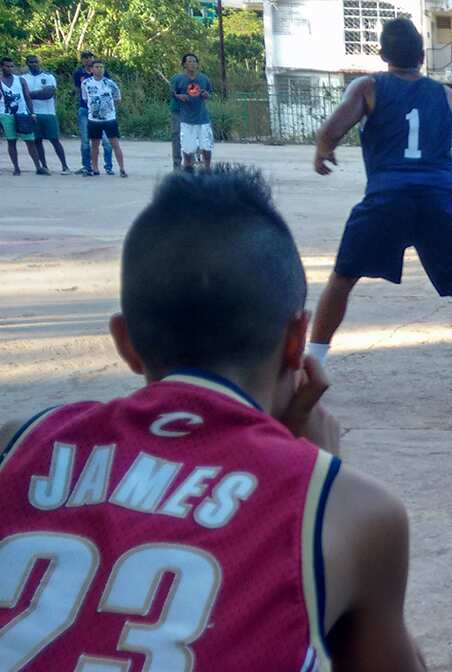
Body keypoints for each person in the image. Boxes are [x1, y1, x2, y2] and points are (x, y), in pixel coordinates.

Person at [0, 167, 428, 671]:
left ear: (126, 343)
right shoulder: (352, 509)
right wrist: (317, 468)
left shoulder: (17, 445)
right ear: (296, 343)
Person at [308, 18, 452, 408]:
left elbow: (331, 130)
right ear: (422, 56)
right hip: (441, 198)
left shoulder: (367, 87)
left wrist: (324, 150)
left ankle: (312, 366)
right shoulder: (446, 97)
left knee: (341, 281)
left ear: (382, 55)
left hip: (388, 197)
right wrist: (439, 158)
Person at [22, 55, 72, 174]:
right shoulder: (23, 78)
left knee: (54, 139)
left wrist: (28, 95)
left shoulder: (48, 77)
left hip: (48, 113)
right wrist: (37, 93)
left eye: (35, 62)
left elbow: (48, 94)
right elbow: (35, 94)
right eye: (31, 62)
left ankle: (65, 166)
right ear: (27, 63)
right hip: (32, 113)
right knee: (37, 141)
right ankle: (44, 166)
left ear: (40, 63)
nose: (33, 64)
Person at [81, 60, 127, 178]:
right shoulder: (86, 83)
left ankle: (122, 168)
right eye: (97, 67)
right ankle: (95, 168)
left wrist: (107, 109)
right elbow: (86, 99)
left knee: (114, 143)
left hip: (109, 119)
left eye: (101, 67)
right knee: (94, 145)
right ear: (91, 69)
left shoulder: (110, 83)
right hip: (94, 119)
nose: (99, 69)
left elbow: (117, 98)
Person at [0, 57, 44, 175]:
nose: (9, 68)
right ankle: (16, 168)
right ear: (2, 67)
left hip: (22, 113)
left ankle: (38, 167)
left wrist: (32, 113)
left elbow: (27, 97)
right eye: (7, 66)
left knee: (30, 140)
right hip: (6, 114)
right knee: (11, 141)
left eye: (11, 66)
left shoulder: (20, 80)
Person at [171, 52, 215, 171]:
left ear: (197, 65)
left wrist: (207, 95)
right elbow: (173, 94)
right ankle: (188, 171)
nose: (192, 64)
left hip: (202, 119)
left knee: (206, 147)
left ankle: (207, 169)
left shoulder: (204, 79)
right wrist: (179, 97)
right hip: (186, 119)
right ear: (184, 64)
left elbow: (210, 93)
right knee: (188, 149)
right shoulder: (178, 79)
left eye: (194, 61)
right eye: (189, 61)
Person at [73, 50, 112, 176]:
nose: (87, 60)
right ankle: (87, 166)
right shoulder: (79, 73)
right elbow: (78, 90)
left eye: (89, 57)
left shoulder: (102, 71)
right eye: (85, 57)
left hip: (101, 111)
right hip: (85, 109)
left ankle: (108, 166)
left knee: (106, 141)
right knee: (85, 140)